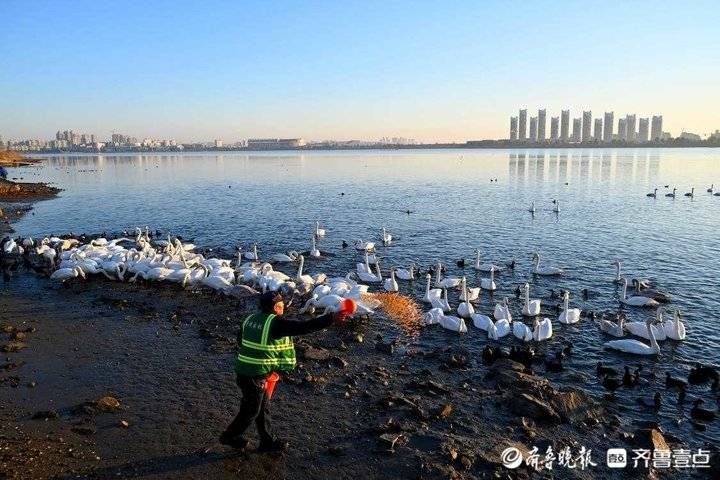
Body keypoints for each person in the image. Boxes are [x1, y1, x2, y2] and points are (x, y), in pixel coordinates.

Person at [220, 291, 351, 452]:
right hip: (255, 374)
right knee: (252, 410)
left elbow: (241, 341)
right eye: (282, 304)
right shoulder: (275, 323)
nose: (284, 307)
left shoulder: (249, 319)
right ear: (276, 306)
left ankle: (267, 441)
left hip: (245, 371)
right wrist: (331, 318)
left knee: (262, 407)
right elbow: (304, 327)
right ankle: (229, 436)